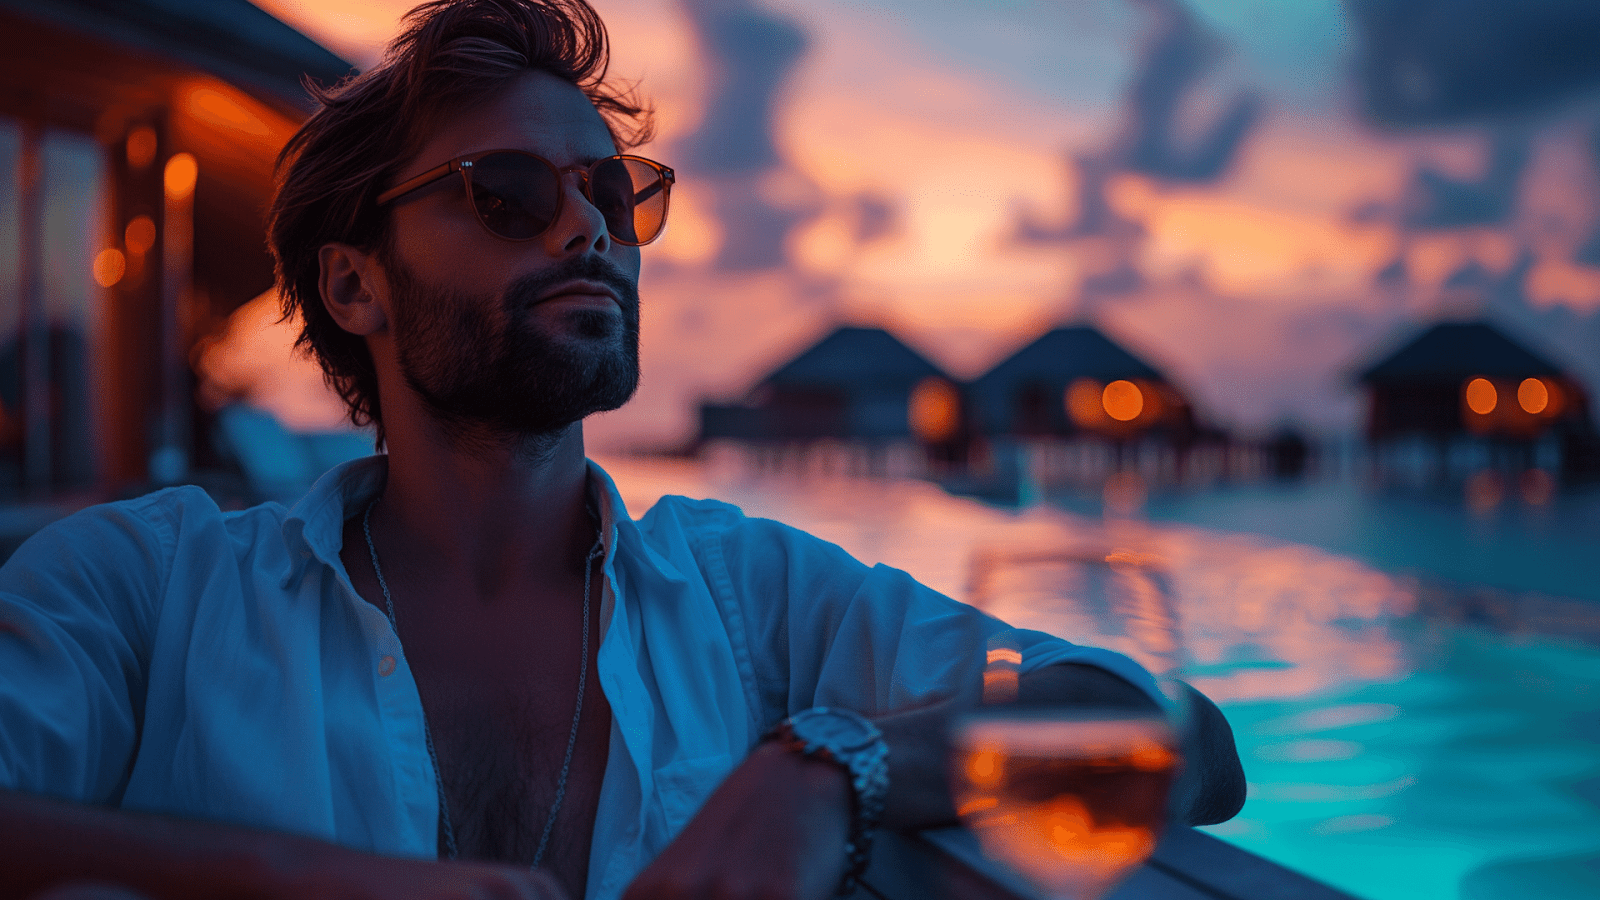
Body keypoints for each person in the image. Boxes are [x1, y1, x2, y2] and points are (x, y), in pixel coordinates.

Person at [0, 2, 1244, 898]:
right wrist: (300, 877)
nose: (586, 229)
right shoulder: (147, 588)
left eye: (613, 191)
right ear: (354, 284)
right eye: (507, 193)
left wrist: (832, 771)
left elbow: (1185, 738)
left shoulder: (752, 602)